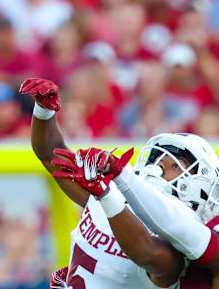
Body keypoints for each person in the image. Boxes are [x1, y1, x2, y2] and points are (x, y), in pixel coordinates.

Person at [19, 77, 219, 289]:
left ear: (200, 186)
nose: (158, 167)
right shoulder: (108, 193)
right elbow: (50, 155)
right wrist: (44, 111)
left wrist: (107, 196)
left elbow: (146, 253)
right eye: (157, 159)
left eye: (175, 166)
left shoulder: (180, 238)